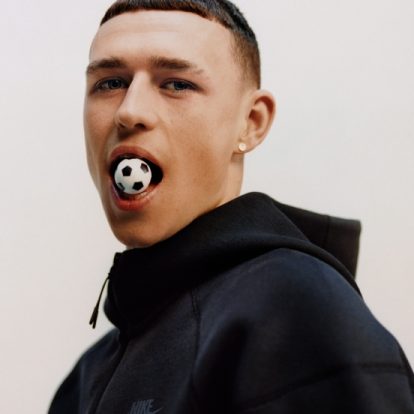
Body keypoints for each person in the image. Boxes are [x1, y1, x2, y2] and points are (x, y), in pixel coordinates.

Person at [49, 1, 414, 413]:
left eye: (176, 84)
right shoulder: (84, 379)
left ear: (251, 122)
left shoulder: (297, 314)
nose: (129, 111)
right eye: (110, 82)